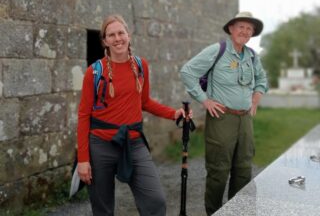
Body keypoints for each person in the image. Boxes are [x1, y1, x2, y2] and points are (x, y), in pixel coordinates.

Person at [77, 14, 190, 216]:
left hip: (134, 142)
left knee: (155, 202)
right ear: (105, 41)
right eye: (111, 35)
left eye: (121, 33)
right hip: (100, 146)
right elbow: (84, 115)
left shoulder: (140, 66)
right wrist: (83, 159)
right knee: (102, 208)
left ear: (129, 35)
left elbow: (144, 102)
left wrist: (174, 114)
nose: (117, 38)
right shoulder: (94, 72)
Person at [180, 11, 268, 215]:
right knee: (218, 172)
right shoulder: (217, 50)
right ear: (231, 28)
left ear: (252, 33)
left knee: (244, 170)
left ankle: (237, 212)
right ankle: (214, 212)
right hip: (222, 119)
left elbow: (262, 79)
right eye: (241, 27)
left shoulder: (252, 56)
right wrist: (204, 100)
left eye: (249, 29)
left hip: (245, 119)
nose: (245, 32)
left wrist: (256, 96)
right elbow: (187, 72)